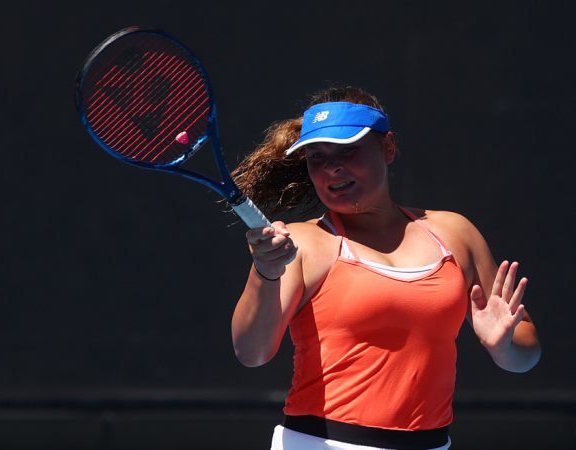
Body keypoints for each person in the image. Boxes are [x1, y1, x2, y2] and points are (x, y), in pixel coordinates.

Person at [230, 85, 541, 450]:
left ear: (387, 148)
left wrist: (503, 346)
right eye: (317, 156)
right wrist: (265, 272)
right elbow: (252, 354)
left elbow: (525, 357)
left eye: (348, 150)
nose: (332, 167)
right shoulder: (301, 244)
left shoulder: (456, 234)